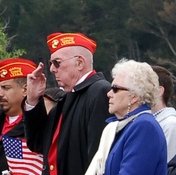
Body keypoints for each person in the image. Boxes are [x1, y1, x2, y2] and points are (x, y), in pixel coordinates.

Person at [24, 32, 111, 175]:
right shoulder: (67, 98)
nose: (52, 69)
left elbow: (99, 157)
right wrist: (33, 100)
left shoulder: (99, 92)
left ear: (80, 63)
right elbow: (38, 143)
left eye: (57, 63)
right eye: (51, 64)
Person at [85, 59, 167, 175]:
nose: (109, 94)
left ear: (134, 96)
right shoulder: (126, 125)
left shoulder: (144, 127)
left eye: (115, 89)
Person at [152, 66, 176, 159]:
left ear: (159, 91)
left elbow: (169, 168)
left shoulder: (170, 126)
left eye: (145, 87)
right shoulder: (151, 122)